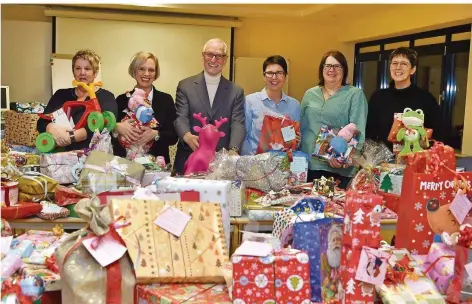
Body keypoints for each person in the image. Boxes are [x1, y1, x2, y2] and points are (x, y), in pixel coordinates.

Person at [173, 38, 245, 175]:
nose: (213, 59)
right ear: (203, 56)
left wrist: (233, 150)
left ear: (225, 59)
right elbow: (180, 118)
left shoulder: (236, 91)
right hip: (190, 158)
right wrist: (186, 136)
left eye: (219, 56)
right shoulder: (185, 86)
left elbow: (238, 123)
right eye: (209, 54)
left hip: (222, 164)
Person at [299, 50, 368, 189]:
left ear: (344, 70)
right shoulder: (310, 94)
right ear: (322, 69)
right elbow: (301, 126)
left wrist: (343, 157)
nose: (332, 70)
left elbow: (358, 130)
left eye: (337, 66)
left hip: (337, 168)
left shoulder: (354, 94)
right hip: (306, 165)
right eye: (328, 66)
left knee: (332, 209)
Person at [37, 49, 117, 150]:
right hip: (59, 156)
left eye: (87, 69)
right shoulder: (60, 95)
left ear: (95, 73)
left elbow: (104, 127)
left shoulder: (106, 97)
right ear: (73, 72)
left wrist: (70, 137)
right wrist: (50, 127)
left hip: (91, 156)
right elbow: (41, 123)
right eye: (78, 68)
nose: (82, 73)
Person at [366, 47, 442, 148]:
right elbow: (369, 132)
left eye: (404, 64)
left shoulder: (425, 98)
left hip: (415, 159)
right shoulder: (378, 97)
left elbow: (439, 133)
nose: (398, 67)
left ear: (413, 70)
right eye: (394, 63)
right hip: (384, 161)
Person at [112, 52, 178, 164]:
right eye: (141, 69)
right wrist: (116, 127)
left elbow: (173, 136)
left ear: (156, 73)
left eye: (151, 70)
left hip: (158, 166)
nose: (146, 74)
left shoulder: (166, 100)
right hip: (126, 166)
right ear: (134, 71)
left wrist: (156, 134)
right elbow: (108, 135)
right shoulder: (121, 100)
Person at [241, 55, 300, 155]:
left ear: (285, 76)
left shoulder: (294, 105)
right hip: (254, 164)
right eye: (269, 73)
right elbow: (243, 135)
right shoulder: (250, 101)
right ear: (264, 76)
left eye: (279, 73)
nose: (274, 77)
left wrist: (296, 140)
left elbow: (294, 141)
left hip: (282, 165)